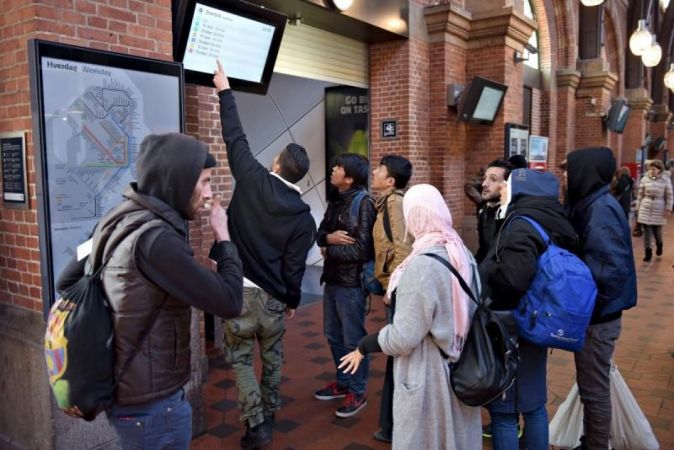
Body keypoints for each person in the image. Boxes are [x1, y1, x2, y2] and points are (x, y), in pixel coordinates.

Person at [56, 132, 244, 449]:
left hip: (127, 396)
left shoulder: (114, 220)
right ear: (178, 181)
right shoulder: (159, 241)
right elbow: (229, 301)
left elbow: (66, 281)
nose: (209, 194)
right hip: (154, 407)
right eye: (204, 182)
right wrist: (223, 236)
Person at [213, 62, 317, 449]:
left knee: (240, 359)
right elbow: (294, 267)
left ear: (276, 163)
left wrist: (225, 90)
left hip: (237, 291)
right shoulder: (304, 218)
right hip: (274, 298)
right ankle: (269, 415)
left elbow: (234, 136)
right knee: (273, 359)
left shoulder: (252, 178)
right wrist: (292, 300)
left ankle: (255, 425)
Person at [339, 183, 482, 450]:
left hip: (430, 375)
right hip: (461, 364)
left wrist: (364, 346)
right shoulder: (461, 252)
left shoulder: (422, 265)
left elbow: (404, 337)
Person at [479, 168, 578, 450]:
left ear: (523, 191)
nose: (502, 189)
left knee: (504, 412)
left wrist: (490, 272)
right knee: (534, 404)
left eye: (507, 186)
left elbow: (513, 279)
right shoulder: (551, 219)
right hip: (538, 319)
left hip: (514, 324)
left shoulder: (521, 224)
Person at [566, 147, 638, 450]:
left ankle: (595, 446)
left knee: (594, 391)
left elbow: (611, 270)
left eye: (571, 171)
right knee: (591, 387)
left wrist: (587, 303)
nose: (567, 177)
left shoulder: (600, 210)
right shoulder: (593, 203)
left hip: (598, 318)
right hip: (597, 314)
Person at [314, 153, 376, 418]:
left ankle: (357, 391)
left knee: (353, 339)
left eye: (338, 167)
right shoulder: (336, 200)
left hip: (351, 285)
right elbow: (319, 234)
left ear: (349, 178)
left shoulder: (364, 204)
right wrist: (329, 239)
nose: (333, 169)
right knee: (333, 335)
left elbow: (362, 250)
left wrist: (329, 250)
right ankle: (343, 382)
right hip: (332, 279)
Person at [369, 154, 413, 443]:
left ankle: (397, 425)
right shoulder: (385, 203)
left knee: (399, 355)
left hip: (396, 290)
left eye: (380, 169)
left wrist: (391, 288)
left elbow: (402, 248)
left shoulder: (394, 204)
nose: (374, 171)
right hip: (391, 286)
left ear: (390, 181)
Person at [475, 159, 513, 263]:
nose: (484, 184)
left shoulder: (513, 214)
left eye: (493, 179)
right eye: (485, 178)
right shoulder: (484, 210)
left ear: (506, 185)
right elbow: (483, 250)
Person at [636, 159, 673, 261]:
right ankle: (648, 252)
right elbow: (640, 194)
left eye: (654, 169)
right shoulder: (645, 179)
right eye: (650, 169)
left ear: (659, 169)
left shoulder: (665, 180)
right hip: (646, 206)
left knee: (657, 232)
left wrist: (668, 208)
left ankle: (659, 244)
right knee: (647, 232)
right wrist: (638, 206)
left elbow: (669, 195)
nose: (651, 171)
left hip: (659, 207)